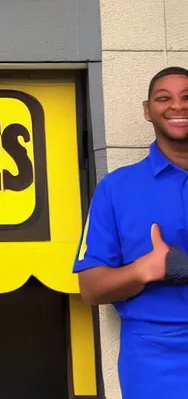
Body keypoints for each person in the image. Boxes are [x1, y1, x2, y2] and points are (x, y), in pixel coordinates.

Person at [73, 66, 188, 398]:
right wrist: (144, 270)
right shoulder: (116, 189)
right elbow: (91, 290)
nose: (177, 106)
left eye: (186, 97)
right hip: (154, 357)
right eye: (164, 98)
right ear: (147, 110)